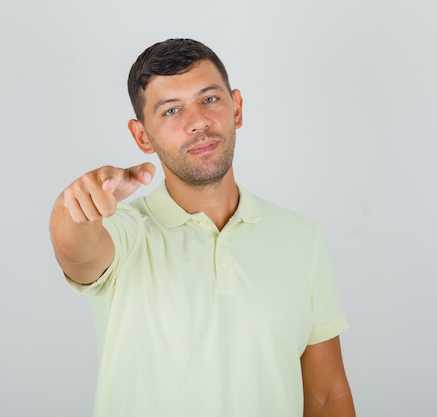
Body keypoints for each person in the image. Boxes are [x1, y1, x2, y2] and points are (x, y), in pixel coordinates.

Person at [49, 38, 355, 417]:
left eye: (209, 99)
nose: (197, 122)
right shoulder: (123, 234)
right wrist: (77, 207)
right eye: (171, 110)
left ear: (236, 108)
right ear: (142, 136)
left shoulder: (302, 238)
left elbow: (326, 395)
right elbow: (74, 251)